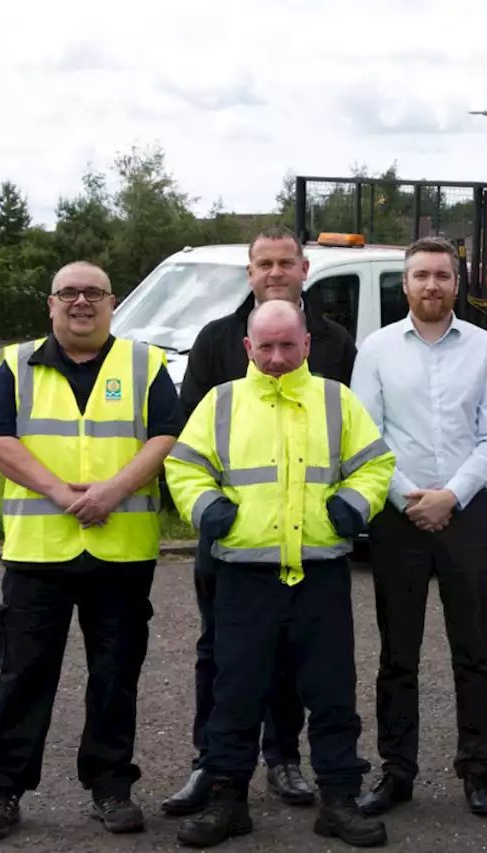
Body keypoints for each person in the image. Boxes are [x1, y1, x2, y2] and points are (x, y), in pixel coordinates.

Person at [163, 299, 395, 848]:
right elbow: (183, 465)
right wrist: (209, 511)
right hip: (245, 578)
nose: (275, 357)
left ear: (307, 345)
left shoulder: (336, 400)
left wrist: (353, 506)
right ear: (247, 347)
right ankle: (227, 802)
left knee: (333, 694)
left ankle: (338, 801)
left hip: (320, 575)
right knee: (236, 693)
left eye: (287, 345)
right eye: (264, 346)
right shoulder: (222, 403)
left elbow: (375, 464)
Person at [0, 261, 181, 840]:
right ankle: (0, 791)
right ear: (51, 304)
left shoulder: (145, 363)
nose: (81, 302)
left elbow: (167, 434)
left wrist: (114, 490)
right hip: (39, 552)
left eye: (93, 293)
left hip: (121, 552)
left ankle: (111, 788)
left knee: (115, 676)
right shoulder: (17, 363)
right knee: (23, 675)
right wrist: (64, 494)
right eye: (70, 293)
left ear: (112, 303)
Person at [349, 236, 487, 817]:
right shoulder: (377, 348)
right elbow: (366, 435)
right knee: (398, 654)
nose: (432, 286)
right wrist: (410, 498)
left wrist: (451, 495)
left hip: (464, 516)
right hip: (398, 518)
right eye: (421, 276)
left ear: (456, 281)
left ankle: (477, 769)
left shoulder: (486, 347)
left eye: (442, 275)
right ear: (406, 283)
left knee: (473, 651)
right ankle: (397, 772)